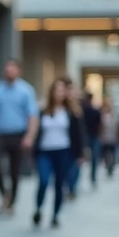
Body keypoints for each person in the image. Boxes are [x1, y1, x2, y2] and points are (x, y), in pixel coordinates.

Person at [0, 59, 39, 215]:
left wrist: (29, 135)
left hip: (18, 134)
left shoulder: (26, 90)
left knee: (15, 171)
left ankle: (12, 203)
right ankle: (5, 195)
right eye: (6, 69)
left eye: (11, 69)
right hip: (1, 134)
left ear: (18, 71)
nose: (8, 72)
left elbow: (32, 115)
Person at [31, 78, 85, 229]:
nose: (59, 93)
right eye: (56, 90)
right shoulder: (43, 110)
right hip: (45, 152)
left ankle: (55, 215)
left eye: (62, 91)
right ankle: (38, 208)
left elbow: (79, 134)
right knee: (43, 181)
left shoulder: (72, 112)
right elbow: (36, 132)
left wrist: (80, 154)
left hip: (64, 153)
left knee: (59, 185)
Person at [81, 92, 102, 188]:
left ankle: (78, 179)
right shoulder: (94, 111)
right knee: (93, 158)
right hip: (92, 136)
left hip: (87, 136)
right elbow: (100, 125)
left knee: (81, 157)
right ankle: (92, 177)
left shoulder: (82, 111)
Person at [99, 97, 119, 177]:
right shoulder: (102, 115)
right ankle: (108, 167)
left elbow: (118, 125)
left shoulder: (115, 115)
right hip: (105, 138)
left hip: (114, 138)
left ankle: (111, 168)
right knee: (106, 155)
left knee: (114, 155)